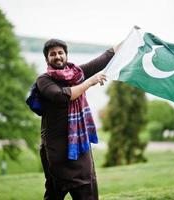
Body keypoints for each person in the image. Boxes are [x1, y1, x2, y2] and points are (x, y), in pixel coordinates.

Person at [37, 38, 119, 200]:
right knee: (54, 193)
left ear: (66, 55)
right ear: (47, 59)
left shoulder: (76, 74)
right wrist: (89, 82)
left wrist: (129, 40)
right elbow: (63, 95)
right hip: (57, 152)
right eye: (53, 54)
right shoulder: (44, 81)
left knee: (86, 192)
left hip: (80, 150)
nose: (58, 56)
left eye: (61, 53)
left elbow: (102, 60)